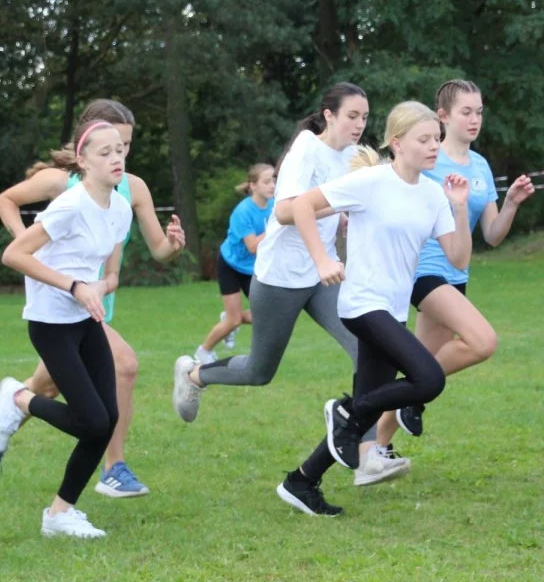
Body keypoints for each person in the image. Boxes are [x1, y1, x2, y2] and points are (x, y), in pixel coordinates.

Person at [172, 83, 409, 498]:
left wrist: (345, 228)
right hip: (281, 276)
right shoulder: (306, 148)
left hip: (322, 279)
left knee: (368, 350)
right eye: (352, 115)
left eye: (365, 117)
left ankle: (368, 451)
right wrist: (326, 241)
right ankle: (194, 374)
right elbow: (284, 211)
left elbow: (337, 214)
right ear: (329, 114)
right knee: (260, 371)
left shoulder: (353, 159)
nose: (359, 124)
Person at [0, 99, 185, 498]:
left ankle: (4, 419)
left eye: (126, 146)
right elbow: (6, 202)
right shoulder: (62, 184)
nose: (120, 155)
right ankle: (113, 467)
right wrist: (30, 249)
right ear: (85, 152)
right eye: (111, 146)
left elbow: (157, 251)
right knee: (124, 367)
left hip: (94, 305)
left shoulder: (130, 189)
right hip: (60, 306)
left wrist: (172, 247)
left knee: (46, 390)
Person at [275, 101, 471, 516]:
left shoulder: (434, 194)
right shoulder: (371, 182)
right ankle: (345, 409)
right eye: (425, 139)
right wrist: (323, 261)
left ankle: (301, 481)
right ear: (397, 143)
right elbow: (302, 206)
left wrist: (458, 205)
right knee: (429, 379)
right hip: (363, 304)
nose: (434, 145)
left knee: (362, 416)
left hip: (393, 309)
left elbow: (457, 257)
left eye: (437, 138)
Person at [356, 80, 537, 483]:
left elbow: (491, 235)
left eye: (479, 112)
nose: (475, 119)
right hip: (423, 272)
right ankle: (381, 411)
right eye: (466, 112)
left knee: (416, 375)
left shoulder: (481, 167)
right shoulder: (427, 158)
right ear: (443, 116)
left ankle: (375, 451)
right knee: (482, 342)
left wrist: (510, 204)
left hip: (458, 274)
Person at [0, 119, 132, 538]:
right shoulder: (69, 205)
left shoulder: (120, 208)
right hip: (51, 323)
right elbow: (14, 254)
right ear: (82, 161)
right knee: (91, 421)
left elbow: (113, 275)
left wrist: (98, 287)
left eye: (119, 149)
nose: (116, 157)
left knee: (107, 419)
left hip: (86, 320)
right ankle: (19, 399)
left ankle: (60, 514)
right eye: (104, 152)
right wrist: (73, 285)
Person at [194, 163, 275, 364]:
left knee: (267, 317)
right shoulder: (242, 212)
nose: (272, 185)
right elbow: (253, 247)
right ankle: (203, 352)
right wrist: (277, 225)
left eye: (274, 180)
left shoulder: (275, 205)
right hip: (230, 265)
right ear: (253, 186)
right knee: (234, 320)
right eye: (266, 181)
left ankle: (231, 320)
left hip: (253, 269)